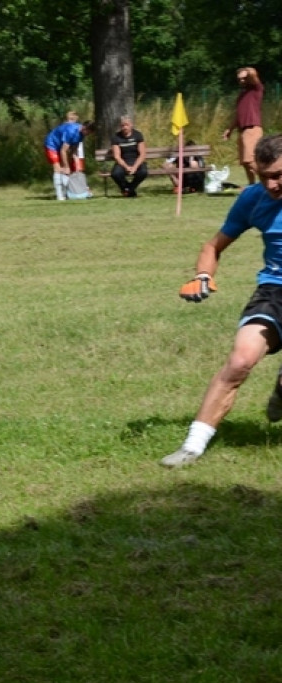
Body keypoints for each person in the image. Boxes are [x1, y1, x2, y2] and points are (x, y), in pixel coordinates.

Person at [161, 134, 282, 468]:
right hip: (275, 290)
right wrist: (203, 276)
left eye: (279, 175)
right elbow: (212, 246)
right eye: (264, 176)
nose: (271, 184)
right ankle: (192, 447)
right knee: (240, 361)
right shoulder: (253, 199)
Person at [223, 66, 264, 185]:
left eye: (244, 78)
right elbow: (239, 115)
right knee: (245, 162)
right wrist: (229, 129)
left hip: (252, 129)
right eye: (239, 79)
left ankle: (270, 180)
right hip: (242, 130)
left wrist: (246, 72)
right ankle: (251, 186)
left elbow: (253, 75)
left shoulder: (257, 89)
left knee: (250, 160)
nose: (241, 81)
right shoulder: (242, 95)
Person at [43, 118, 95, 201]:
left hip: (61, 147)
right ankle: (59, 195)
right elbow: (63, 151)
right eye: (88, 132)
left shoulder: (82, 135)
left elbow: (74, 150)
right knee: (58, 168)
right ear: (85, 128)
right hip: (52, 144)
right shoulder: (71, 131)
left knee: (69, 170)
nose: (88, 135)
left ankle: (67, 193)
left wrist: (77, 164)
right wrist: (66, 167)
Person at [109, 116, 148, 197]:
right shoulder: (116, 137)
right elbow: (117, 156)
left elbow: (142, 154)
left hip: (136, 161)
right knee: (115, 174)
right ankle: (129, 190)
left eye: (127, 125)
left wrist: (135, 167)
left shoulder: (138, 135)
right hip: (123, 162)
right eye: (123, 125)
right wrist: (126, 167)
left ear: (131, 125)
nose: (125, 127)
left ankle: (129, 189)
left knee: (143, 172)